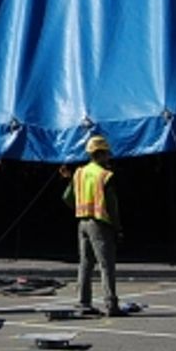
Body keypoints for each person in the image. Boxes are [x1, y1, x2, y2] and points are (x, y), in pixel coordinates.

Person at [61, 135, 122, 317]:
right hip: (99, 223)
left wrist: (80, 207)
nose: (109, 158)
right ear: (101, 154)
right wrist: (118, 228)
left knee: (85, 264)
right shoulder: (104, 175)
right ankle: (111, 305)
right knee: (106, 265)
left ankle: (83, 301)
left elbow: (66, 197)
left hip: (82, 222)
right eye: (107, 154)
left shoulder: (79, 173)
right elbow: (112, 205)